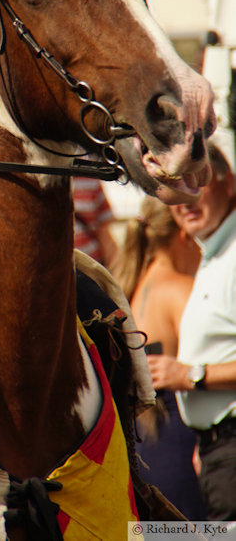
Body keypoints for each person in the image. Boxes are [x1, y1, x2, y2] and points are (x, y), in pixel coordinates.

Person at [147, 143, 236, 520]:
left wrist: (190, 375)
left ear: (229, 183)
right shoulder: (216, 253)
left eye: (197, 180)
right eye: (174, 189)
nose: (186, 197)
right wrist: (211, 438)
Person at [113, 197, 205, 519]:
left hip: (144, 451)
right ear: (184, 234)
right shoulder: (181, 290)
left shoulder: (131, 288)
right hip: (182, 444)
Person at [73, 177, 117, 267]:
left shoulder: (90, 179)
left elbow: (106, 231)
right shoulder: (37, 178)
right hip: (48, 272)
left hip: (89, 270)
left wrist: (114, 272)